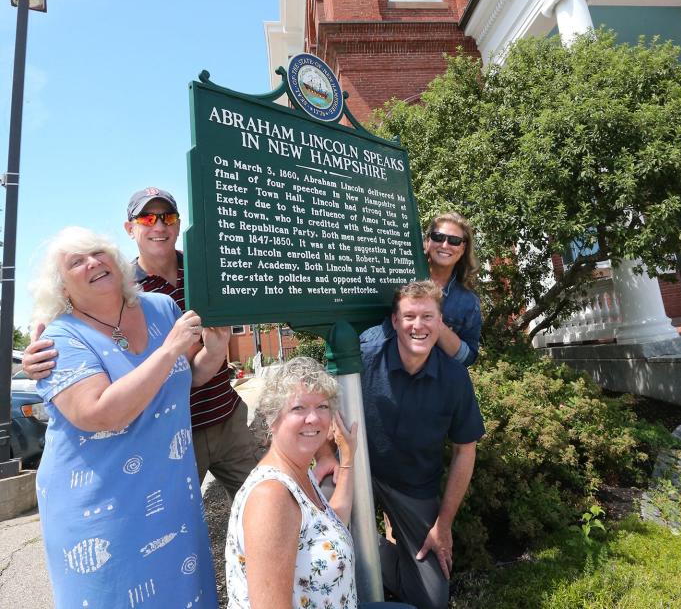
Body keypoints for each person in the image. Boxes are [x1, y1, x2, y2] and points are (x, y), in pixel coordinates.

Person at [23, 187, 259, 498]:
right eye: (147, 218)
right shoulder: (121, 288)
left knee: (264, 503)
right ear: (130, 228)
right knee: (176, 516)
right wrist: (39, 351)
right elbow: (77, 323)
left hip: (226, 418)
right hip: (171, 431)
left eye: (168, 217)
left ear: (177, 223)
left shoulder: (205, 272)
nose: (159, 226)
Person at [31, 227, 222, 607]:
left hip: (171, 493)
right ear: (62, 287)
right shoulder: (60, 339)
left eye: (98, 252)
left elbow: (184, 380)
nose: (93, 262)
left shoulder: (161, 308)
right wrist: (168, 350)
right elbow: (100, 414)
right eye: (76, 261)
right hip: (102, 509)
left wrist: (215, 349)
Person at [359, 280, 485, 609]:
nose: (419, 325)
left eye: (428, 317)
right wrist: (329, 455)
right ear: (395, 322)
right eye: (410, 316)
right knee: (324, 501)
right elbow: (325, 402)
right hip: (359, 469)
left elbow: (464, 450)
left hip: (413, 485)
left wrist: (443, 525)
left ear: (440, 323)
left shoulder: (455, 378)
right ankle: (353, 548)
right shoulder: (364, 357)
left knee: (431, 599)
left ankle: (374, 552)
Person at [225, 357, 360, 608]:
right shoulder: (271, 497)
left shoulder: (299, 472)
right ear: (272, 418)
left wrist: (348, 458)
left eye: (322, 407)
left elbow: (329, 528)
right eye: (298, 408)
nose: (313, 418)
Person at [365, 212, 482, 367]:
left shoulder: (468, 302)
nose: (445, 245)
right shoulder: (398, 280)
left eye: (454, 240)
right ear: (427, 241)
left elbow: (468, 358)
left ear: (463, 247)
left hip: (437, 384)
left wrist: (436, 325)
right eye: (438, 237)